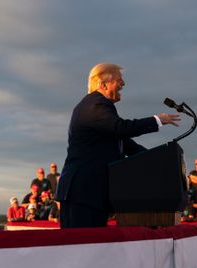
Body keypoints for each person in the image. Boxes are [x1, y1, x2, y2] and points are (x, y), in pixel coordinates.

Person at [55, 63, 180, 228]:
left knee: (90, 248)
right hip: (82, 193)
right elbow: (121, 128)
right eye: (118, 80)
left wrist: (160, 160)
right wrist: (157, 120)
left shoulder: (101, 109)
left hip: (89, 194)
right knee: (80, 248)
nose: (123, 84)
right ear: (103, 84)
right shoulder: (95, 105)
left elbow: (127, 145)